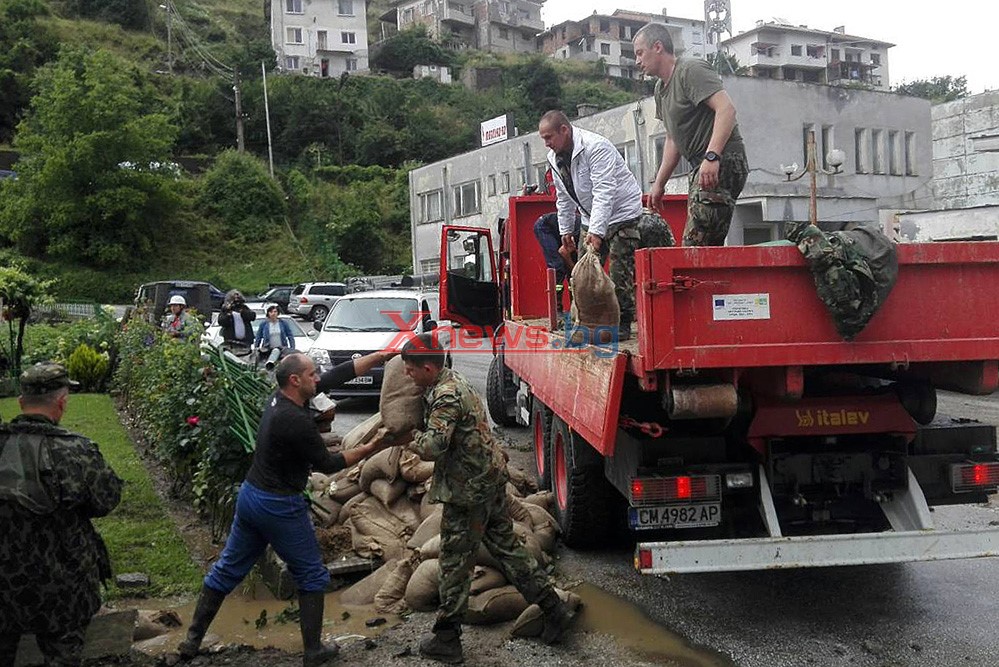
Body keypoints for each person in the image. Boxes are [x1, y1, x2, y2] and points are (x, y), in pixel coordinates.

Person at [177, 349, 399, 666]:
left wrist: (380, 356)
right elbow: (328, 462)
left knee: (227, 570)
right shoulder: (295, 420)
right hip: (279, 505)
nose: (318, 378)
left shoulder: (282, 398)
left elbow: (336, 375)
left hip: (251, 496)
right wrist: (375, 445)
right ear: (296, 380)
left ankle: (191, 641)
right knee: (312, 576)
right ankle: (313, 652)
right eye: (312, 375)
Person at [400, 334, 576, 664]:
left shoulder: (446, 396)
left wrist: (409, 437)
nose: (407, 375)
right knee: (508, 549)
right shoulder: (452, 380)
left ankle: (447, 637)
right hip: (488, 484)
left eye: (410, 369)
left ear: (427, 368)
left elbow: (433, 446)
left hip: (469, 493)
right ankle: (553, 609)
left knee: (454, 560)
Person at [0, 362, 123, 667]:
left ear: (20, 401)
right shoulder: (77, 451)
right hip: (62, 586)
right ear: (62, 402)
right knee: (64, 656)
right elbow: (106, 501)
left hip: (3, 583)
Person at [633, 22, 749, 247]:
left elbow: (726, 109)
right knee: (703, 247)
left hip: (722, 160)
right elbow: (672, 138)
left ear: (658, 47)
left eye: (640, 53)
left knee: (695, 249)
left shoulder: (690, 70)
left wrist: (712, 156)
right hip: (702, 165)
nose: (637, 61)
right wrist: (658, 184)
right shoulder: (660, 90)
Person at [539, 110, 644, 340]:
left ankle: (622, 323)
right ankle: (585, 321)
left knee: (619, 272)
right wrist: (566, 229)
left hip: (622, 214)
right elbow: (564, 197)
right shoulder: (554, 158)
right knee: (582, 274)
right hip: (590, 216)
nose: (546, 144)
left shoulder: (596, 147)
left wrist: (597, 231)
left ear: (564, 130)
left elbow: (604, 191)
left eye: (549, 137)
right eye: (543, 139)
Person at [532, 211, 580, 318]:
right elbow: (563, 252)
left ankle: (575, 309)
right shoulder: (579, 233)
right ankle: (557, 311)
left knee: (572, 272)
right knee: (557, 267)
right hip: (545, 227)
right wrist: (576, 273)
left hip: (560, 232)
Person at [254, 305, 296, 369]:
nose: (273, 314)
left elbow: (290, 336)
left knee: (276, 351)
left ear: (278, 313)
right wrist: (256, 348)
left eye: (275, 312)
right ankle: (269, 364)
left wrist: (292, 348)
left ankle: (270, 363)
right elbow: (258, 337)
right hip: (268, 348)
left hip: (281, 348)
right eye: (271, 312)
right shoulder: (264, 324)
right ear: (268, 313)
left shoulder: (283, 323)